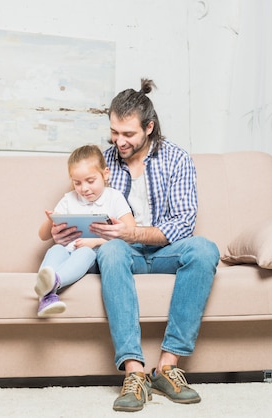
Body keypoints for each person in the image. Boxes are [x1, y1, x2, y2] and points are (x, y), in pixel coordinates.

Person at [50, 79, 220, 412]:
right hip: (120, 252)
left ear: (149, 127)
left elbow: (184, 223)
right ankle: (134, 372)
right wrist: (64, 233)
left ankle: (168, 367)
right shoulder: (103, 162)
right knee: (112, 249)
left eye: (128, 134)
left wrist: (134, 233)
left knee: (204, 249)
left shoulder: (177, 160)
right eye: (114, 132)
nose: (119, 141)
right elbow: (83, 209)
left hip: (164, 251)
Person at [36, 144, 136, 317]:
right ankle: (46, 296)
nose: (84, 188)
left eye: (90, 181)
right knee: (56, 249)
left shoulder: (114, 197)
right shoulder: (69, 199)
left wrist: (96, 241)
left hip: (94, 257)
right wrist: (50, 221)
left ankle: (55, 282)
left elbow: (131, 232)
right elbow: (43, 236)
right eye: (77, 183)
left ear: (105, 174)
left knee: (85, 252)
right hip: (68, 252)